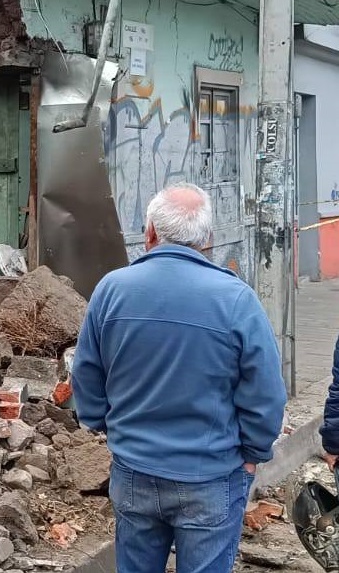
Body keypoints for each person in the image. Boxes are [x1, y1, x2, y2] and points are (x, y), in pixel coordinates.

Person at [71, 182, 287, 573]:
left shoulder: (111, 290)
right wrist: (254, 453)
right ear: (209, 238)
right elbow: (266, 393)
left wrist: (106, 425)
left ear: (150, 232)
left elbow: (86, 374)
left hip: (134, 470)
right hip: (212, 475)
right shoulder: (236, 299)